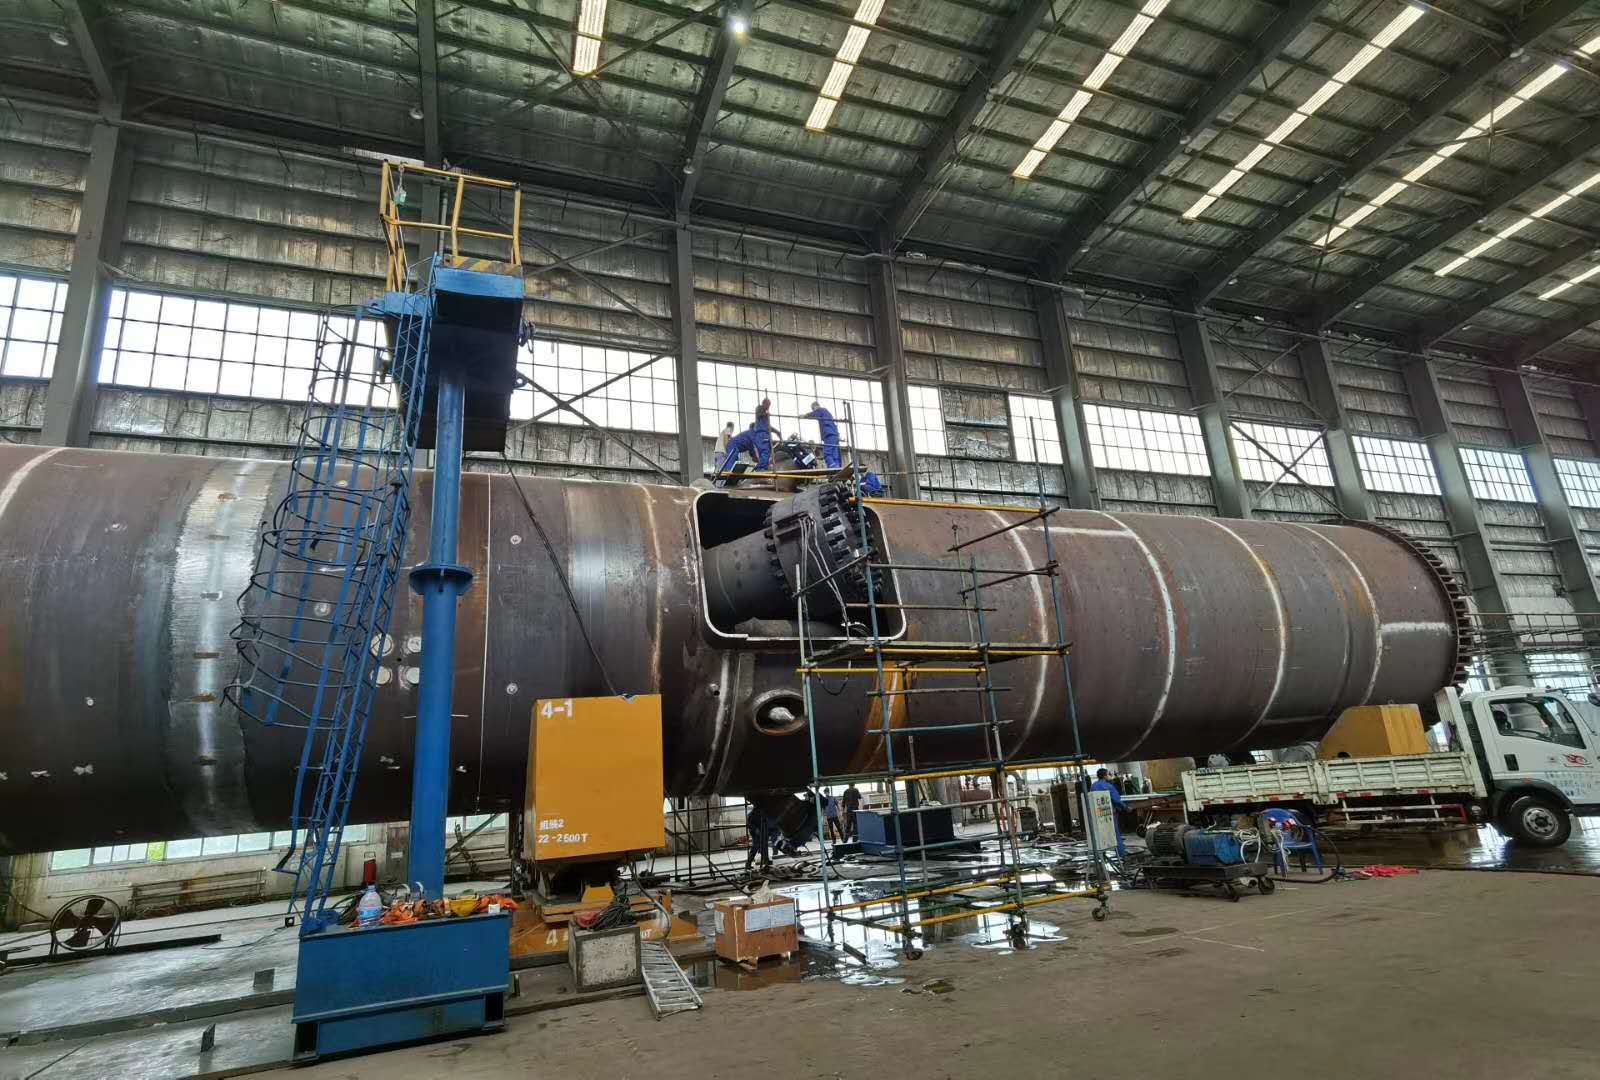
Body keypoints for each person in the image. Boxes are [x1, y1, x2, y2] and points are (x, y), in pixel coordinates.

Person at [1089, 767, 1127, 857]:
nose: (1110, 776)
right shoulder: (1109, 786)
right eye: (1108, 774)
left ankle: (1101, 855)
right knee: (1115, 833)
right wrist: (1125, 807)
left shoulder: (1093, 786)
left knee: (1100, 834)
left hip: (1097, 813)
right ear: (1105, 776)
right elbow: (1116, 800)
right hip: (1109, 813)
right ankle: (1122, 854)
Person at [804, 401, 841, 469]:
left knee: (827, 453)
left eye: (813, 409)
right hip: (834, 434)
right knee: (834, 454)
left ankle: (832, 466)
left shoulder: (821, 410)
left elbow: (814, 414)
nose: (813, 410)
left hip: (828, 434)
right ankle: (837, 467)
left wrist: (805, 416)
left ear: (815, 406)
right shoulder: (827, 413)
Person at [744, 803, 771, 873]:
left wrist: (767, 832)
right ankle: (748, 864)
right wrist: (755, 829)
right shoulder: (751, 814)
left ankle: (766, 863)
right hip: (755, 834)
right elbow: (749, 824)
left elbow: (766, 823)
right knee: (755, 847)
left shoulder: (762, 814)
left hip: (763, 833)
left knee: (764, 847)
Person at [752, 398, 773, 470]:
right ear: (764, 403)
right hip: (761, 434)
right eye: (768, 404)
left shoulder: (765, 414)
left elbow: (769, 427)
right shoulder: (760, 408)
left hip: (764, 434)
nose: (768, 407)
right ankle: (761, 468)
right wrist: (766, 414)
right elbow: (759, 414)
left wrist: (777, 432)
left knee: (766, 452)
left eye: (769, 405)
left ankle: (763, 467)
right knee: (765, 451)